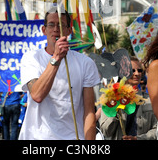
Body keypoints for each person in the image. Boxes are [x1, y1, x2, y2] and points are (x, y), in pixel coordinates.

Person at [18, 8, 101, 140]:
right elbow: (37, 95)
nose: (56, 29)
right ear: (44, 30)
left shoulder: (85, 63)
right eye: (51, 24)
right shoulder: (31, 58)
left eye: (61, 25)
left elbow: (89, 111)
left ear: (69, 30)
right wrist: (56, 58)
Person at [99, 56, 157, 140]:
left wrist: (139, 139)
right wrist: (114, 109)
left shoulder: (150, 100)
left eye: (139, 70)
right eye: (132, 70)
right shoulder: (111, 98)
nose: (137, 74)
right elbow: (106, 131)